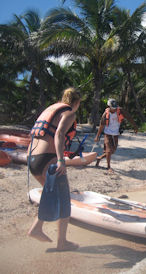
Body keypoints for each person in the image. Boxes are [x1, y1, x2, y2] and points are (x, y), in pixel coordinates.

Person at [27, 87, 81, 251]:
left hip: (32, 159)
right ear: (76, 102)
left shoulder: (51, 108)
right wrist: (60, 160)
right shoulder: (69, 113)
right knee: (64, 201)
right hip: (48, 159)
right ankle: (61, 242)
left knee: (51, 195)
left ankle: (38, 228)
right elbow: (58, 135)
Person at [94, 98, 138, 172]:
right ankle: (108, 167)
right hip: (107, 133)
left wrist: (135, 126)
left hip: (115, 134)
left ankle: (99, 158)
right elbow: (101, 125)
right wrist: (97, 136)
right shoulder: (105, 114)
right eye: (112, 108)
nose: (114, 109)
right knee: (108, 150)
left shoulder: (120, 111)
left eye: (115, 107)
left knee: (113, 151)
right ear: (109, 107)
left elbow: (129, 117)